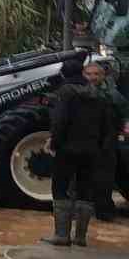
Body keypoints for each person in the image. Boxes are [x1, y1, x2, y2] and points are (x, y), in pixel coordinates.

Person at [44, 60, 125, 246]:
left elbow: (60, 121)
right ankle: (80, 237)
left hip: (67, 149)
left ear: (63, 74)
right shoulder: (101, 95)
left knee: (60, 187)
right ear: (81, 73)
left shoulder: (66, 93)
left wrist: (53, 143)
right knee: (85, 190)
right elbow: (108, 127)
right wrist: (101, 149)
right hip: (92, 151)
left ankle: (61, 235)